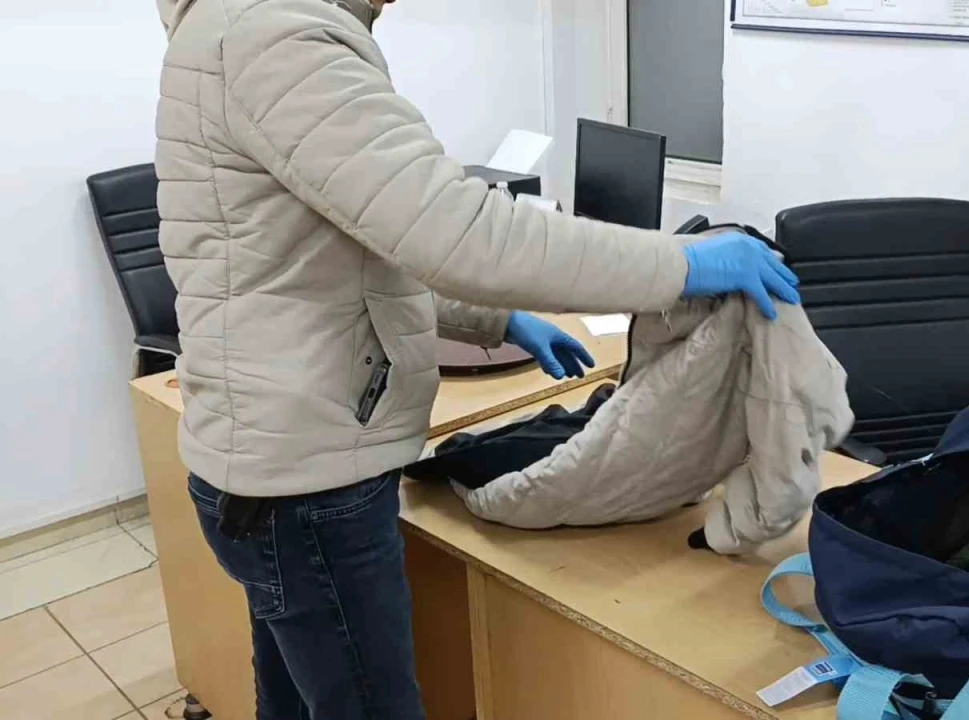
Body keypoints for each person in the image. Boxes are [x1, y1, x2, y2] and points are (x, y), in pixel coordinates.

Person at [154, 0, 799, 718]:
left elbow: (347, 252)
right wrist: (683, 264)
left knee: (296, 703)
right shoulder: (278, 35)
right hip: (307, 484)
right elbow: (462, 231)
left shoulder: (234, 27)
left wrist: (500, 318)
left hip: (274, 464)